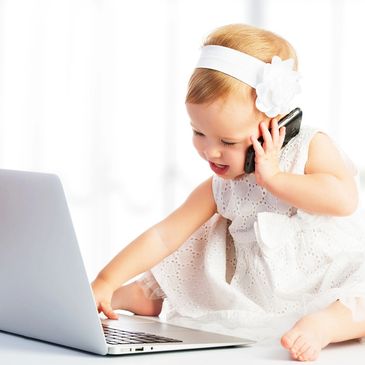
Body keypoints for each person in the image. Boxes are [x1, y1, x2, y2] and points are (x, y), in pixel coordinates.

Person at [92, 23, 365, 361]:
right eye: (198, 132)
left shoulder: (309, 147)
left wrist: (276, 178)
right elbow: (164, 237)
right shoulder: (222, 186)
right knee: (200, 241)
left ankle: (326, 325)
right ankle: (139, 293)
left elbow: (344, 199)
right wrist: (105, 279)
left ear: (275, 123)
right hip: (255, 287)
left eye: (228, 142)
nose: (210, 152)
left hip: (321, 274)